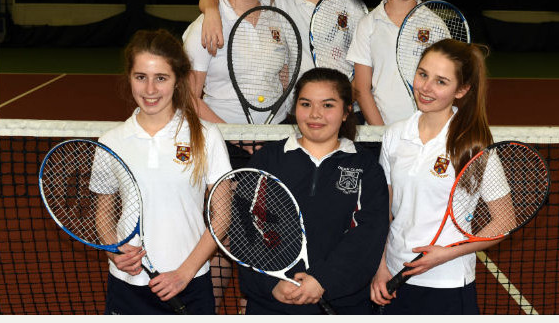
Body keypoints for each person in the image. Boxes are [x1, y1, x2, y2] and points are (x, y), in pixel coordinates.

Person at [99, 29, 232, 314]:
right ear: (129, 78)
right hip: (126, 285)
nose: (149, 90)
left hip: (191, 282)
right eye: (140, 77)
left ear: (177, 80)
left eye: (161, 78)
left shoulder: (207, 136)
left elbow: (222, 217)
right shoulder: (111, 141)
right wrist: (113, 249)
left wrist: (184, 272)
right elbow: (103, 213)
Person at [238, 67, 389, 314]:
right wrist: (271, 283)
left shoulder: (365, 166)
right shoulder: (266, 160)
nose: (315, 114)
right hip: (273, 302)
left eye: (328, 105)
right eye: (306, 104)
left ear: (346, 112)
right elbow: (244, 228)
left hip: (342, 304)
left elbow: (369, 234)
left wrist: (323, 280)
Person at [371, 39, 498, 314]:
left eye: (441, 82)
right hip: (394, 274)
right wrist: (380, 267)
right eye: (423, 74)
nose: (426, 87)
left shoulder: (473, 144)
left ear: (462, 90)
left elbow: (504, 220)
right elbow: (384, 211)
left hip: (447, 282)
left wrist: (446, 254)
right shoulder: (395, 134)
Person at [197, 0, 367, 122]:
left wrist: (342, 105)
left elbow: (364, 70)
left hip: (346, 113)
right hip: (300, 116)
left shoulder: (351, 7)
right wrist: (210, 11)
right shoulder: (277, 0)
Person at [182, 0, 281, 125]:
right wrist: (237, 137)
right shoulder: (205, 25)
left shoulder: (278, 13)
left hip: (275, 135)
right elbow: (188, 98)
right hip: (225, 139)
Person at [347, 0, 438, 126]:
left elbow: (443, 87)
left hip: (425, 133)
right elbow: (362, 90)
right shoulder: (368, 24)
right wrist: (383, 136)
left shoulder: (435, 26)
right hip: (381, 134)